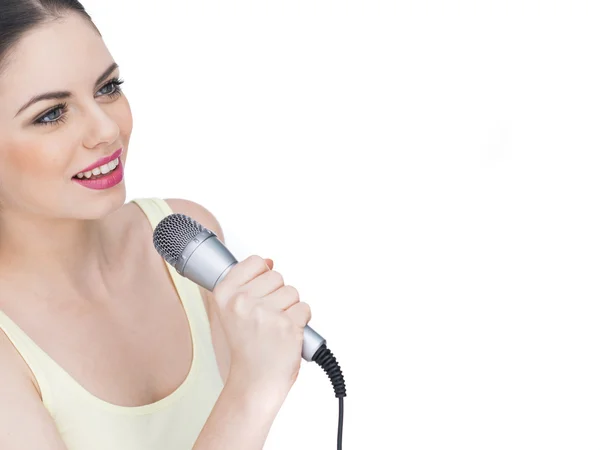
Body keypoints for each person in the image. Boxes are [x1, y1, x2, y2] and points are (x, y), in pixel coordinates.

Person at [0, 1, 312, 449]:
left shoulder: (183, 238)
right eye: (51, 114)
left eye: (108, 88)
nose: (106, 128)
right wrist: (251, 392)